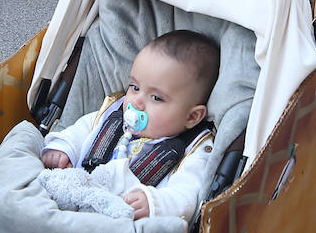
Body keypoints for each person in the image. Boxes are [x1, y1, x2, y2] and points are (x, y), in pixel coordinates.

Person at [40, 30, 218, 222]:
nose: (137, 102)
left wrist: (154, 203)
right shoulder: (114, 115)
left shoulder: (195, 152)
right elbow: (83, 129)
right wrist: (64, 148)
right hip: (79, 195)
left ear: (192, 116)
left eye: (156, 98)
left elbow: (187, 195)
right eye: (134, 87)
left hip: (123, 221)